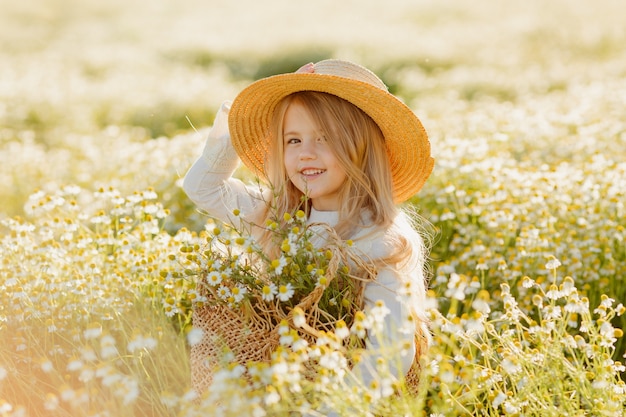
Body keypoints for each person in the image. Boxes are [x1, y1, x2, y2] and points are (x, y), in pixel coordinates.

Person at [183, 59, 434, 394]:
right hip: (281, 392)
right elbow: (202, 187)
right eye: (293, 140)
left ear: (363, 148)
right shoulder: (280, 216)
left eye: (324, 137)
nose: (306, 154)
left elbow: (390, 352)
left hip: (351, 400)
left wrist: (329, 410)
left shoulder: (380, 239)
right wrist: (249, 120)